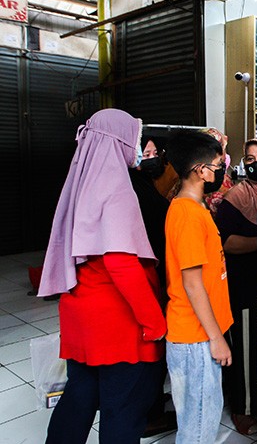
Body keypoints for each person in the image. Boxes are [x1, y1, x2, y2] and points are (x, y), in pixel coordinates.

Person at [39, 108, 167, 443]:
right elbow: (121, 264)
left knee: (80, 398)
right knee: (122, 409)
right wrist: (155, 322)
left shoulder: (81, 181)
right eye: (134, 139)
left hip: (81, 314)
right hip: (116, 323)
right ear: (119, 140)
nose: (136, 148)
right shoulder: (116, 189)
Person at [163, 130, 234, 443]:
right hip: (195, 338)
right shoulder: (188, 215)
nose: (221, 171)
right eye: (218, 165)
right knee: (198, 428)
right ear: (201, 170)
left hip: (199, 333)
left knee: (200, 420)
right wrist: (216, 339)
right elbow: (192, 285)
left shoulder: (194, 208)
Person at [215, 138, 257, 435]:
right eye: (249, 159)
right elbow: (226, 244)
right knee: (246, 348)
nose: (254, 163)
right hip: (245, 285)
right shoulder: (236, 197)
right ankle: (244, 407)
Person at [129, 134, 178, 438]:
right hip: (149, 281)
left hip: (151, 280)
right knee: (152, 351)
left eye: (153, 152)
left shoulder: (145, 189)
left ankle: (152, 404)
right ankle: (150, 413)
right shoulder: (146, 194)